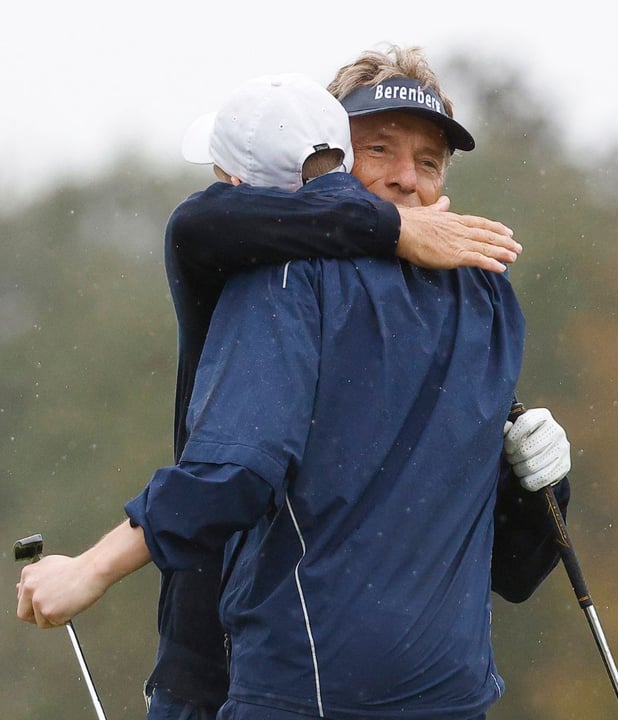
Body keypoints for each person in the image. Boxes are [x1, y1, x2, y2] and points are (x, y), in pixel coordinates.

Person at [17, 63, 568, 720]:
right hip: (227, 664)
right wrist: (388, 227)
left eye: (430, 159)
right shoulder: (267, 254)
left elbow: (511, 568)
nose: (406, 177)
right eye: (380, 148)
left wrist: (544, 490)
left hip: (307, 685)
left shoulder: (478, 294)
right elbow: (202, 223)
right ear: (325, 159)